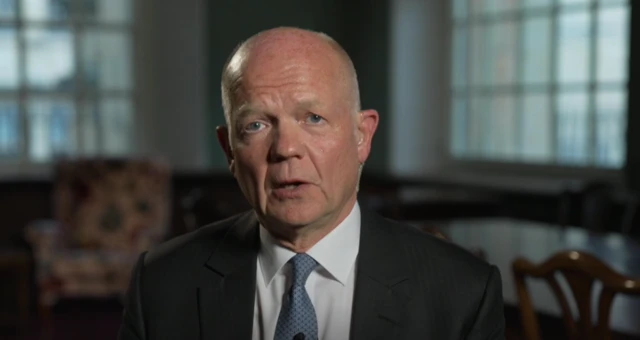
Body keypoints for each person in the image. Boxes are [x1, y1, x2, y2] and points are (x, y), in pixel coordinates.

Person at [118, 27, 505, 340]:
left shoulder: (462, 293)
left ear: (362, 137)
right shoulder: (160, 285)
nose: (285, 148)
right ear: (230, 151)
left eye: (313, 118)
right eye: (256, 125)